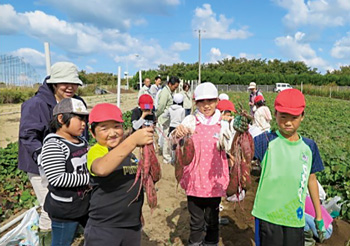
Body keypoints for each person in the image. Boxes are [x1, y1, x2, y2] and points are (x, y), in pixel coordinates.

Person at [18, 61, 88, 245]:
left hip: (72, 163)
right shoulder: (36, 104)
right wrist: (44, 157)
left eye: (74, 83)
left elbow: (84, 131)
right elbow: (28, 136)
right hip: (40, 164)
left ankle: (67, 233)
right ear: (54, 83)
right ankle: (47, 239)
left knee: (73, 202)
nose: (70, 87)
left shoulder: (77, 103)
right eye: (65, 83)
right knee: (51, 208)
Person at [252, 89, 325, 246]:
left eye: (294, 117)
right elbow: (238, 155)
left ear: (302, 116)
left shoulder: (309, 147)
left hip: (295, 217)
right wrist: (239, 134)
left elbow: (311, 180)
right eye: (283, 116)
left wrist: (319, 216)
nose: (288, 122)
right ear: (275, 114)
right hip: (267, 215)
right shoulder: (264, 141)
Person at [84, 103, 154, 246]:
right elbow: (102, 168)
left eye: (117, 126)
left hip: (131, 225)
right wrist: (133, 140)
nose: (112, 133)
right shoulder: (97, 151)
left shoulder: (128, 154)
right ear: (93, 133)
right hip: (104, 227)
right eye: (104, 128)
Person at [173, 82, 229, 246]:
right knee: (196, 220)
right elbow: (175, 143)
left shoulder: (223, 123)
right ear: (196, 103)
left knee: (212, 220)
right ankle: (195, 243)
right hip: (194, 179)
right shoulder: (190, 121)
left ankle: (210, 243)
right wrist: (177, 133)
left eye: (210, 101)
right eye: (202, 102)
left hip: (214, 182)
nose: (206, 106)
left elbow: (232, 144)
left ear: (217, 101)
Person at [38, 98, 90, 246]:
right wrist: (90, 178)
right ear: (61, 118)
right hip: (64, 210)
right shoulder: (54, 145)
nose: (83, 123)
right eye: (79, 118)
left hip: (83, 204)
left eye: (85, 119)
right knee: (62, 242)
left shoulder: (82, 141)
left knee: (95, 234)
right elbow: (57, 178)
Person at [156, 76, 180, 164]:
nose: (175, 89)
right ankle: (166, 158)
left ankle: (167, 154)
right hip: (164, 118)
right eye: (175, 87)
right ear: (170, 84)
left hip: (167, 118)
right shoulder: (165, 93)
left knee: (166, 137)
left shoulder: (169, 92)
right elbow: (161, 106)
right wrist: (158, 116)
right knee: (166, 137)